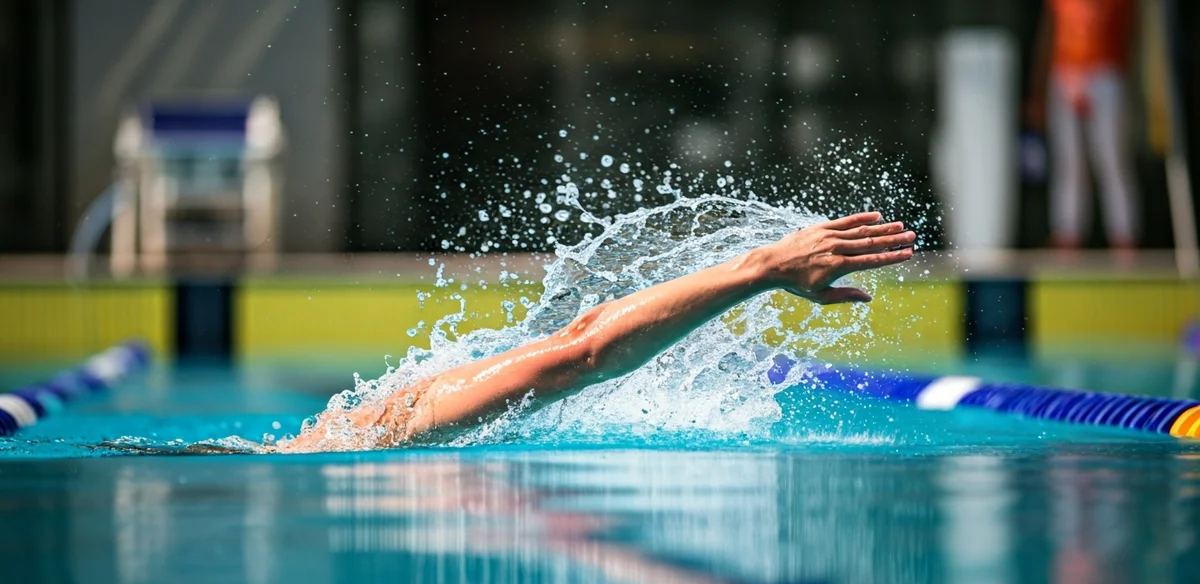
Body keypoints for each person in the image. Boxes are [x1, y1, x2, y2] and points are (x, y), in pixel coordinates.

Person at [280, 212, 914, 452]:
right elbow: (582, 352)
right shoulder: (370, 435)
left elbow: (579, 349)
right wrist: (756, 270)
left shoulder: (358, 437)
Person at [1026, 0, 1139, 254]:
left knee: (1111, 157)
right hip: (1064, 70)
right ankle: (1068, 234)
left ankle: (1124, 236)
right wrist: (1039, 89)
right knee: (1068, 161)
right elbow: (1048, 36)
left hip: (1106, 71)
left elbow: (1130, 33)